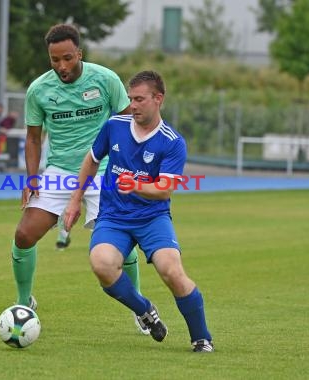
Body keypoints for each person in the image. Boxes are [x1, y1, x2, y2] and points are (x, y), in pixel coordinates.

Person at [64, 70, 214, 352]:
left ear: (158, 99)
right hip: (114, 217)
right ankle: (144, 310)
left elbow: (164, 189)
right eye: (131, 98)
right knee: (101, 264)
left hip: (152, 218)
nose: (133, 105)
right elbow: (92, 160)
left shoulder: (172, 142)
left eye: (140, 99)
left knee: (171, 270)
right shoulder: (114, 126)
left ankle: (201, 337)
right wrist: (75, 200)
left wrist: (135, 185)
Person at [10, 23, 147, 334]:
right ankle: (23, 302)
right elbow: (33, 139)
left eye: (68, 58)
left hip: (103, 172)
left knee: (121, 249)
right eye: (55, 60)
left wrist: (129, 171)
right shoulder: (39, 90)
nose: (62, 66)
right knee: (24, 235)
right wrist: (32, 180)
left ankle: (139, 305)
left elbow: (131, 126)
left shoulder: (105, 79)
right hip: (59, 172)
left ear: (79, 54)